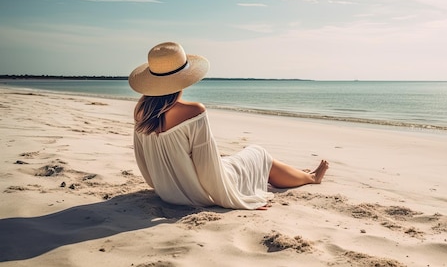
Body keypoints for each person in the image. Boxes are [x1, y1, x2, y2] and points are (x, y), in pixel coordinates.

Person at [128, 42, 328, 210]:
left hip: (169, 192)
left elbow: (143, 161)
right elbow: (208, 166)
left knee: (238, 161)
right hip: (200, 192)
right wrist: (234, 200)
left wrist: (165, 188)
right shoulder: (193, 111)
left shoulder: (140, 110)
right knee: (258, 154)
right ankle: (311, 179)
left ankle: (300, 174)